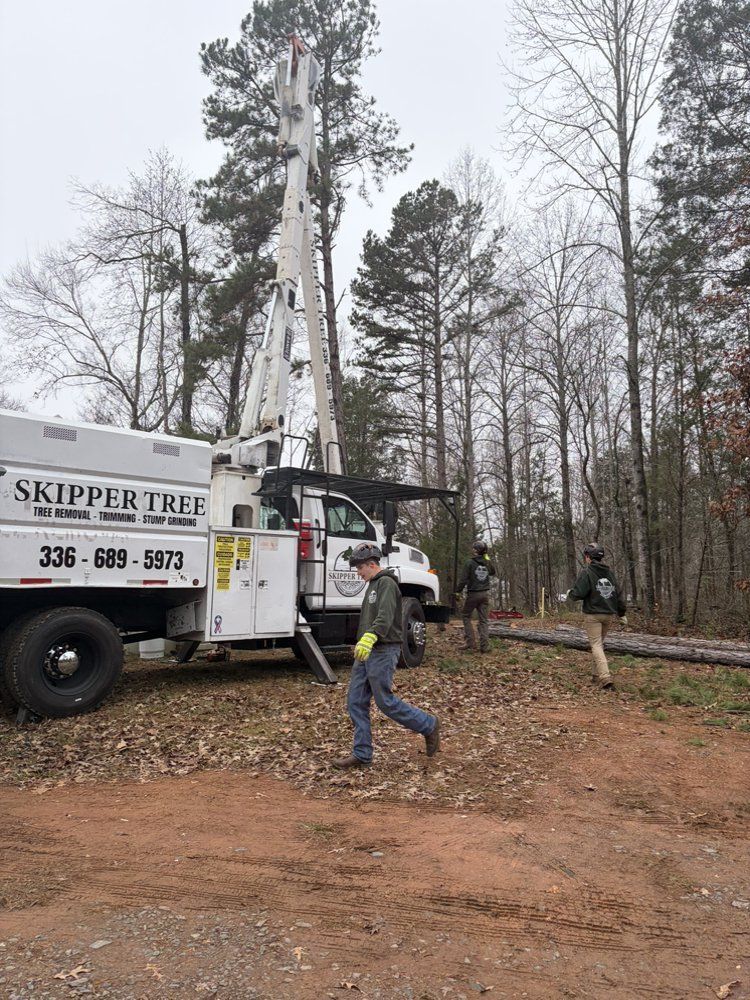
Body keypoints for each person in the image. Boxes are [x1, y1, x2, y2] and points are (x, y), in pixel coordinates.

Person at [332, 542, 441, 769]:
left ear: (371, 565)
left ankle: (428, 725)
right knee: (355, 701)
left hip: (383, 649)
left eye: (360, 568)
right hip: (367, 651)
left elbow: (384, 617)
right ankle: (362, 754)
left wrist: (371, 637)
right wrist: (363, 640)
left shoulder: (386, 584)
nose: (358, 573)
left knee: (385, 702)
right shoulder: (372, 585)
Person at [567, 543, 627, 689]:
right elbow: (618, 594)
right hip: (608, 615)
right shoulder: (610, 574)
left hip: (593, 615)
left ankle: (605, 677)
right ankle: (596, 675)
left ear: (588, 557)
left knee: (596, 645)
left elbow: (579, 593)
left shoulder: (587, 572)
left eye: (586, 556)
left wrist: (571, 594)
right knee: (598, 645)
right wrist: (622, 613)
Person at [456, 539, 497, 653]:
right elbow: (493, 572)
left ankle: (470, 643)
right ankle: (484, 646)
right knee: (483, 620)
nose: (472, 550)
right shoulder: (486, 562)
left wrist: (457, 591)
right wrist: (487, 559)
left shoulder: (469, 562)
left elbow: (463, 580)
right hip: (484, 595)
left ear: (476, 550)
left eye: (474, 548)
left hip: (473, 594)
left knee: (465, 616)